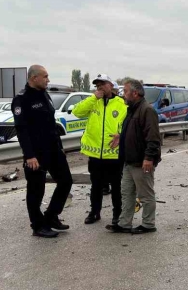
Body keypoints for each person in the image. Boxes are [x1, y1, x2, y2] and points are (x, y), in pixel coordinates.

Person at [12, 65, 73, 238]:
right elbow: (21, 130)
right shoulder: (21, 100)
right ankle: (38, 226)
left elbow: (51, 124)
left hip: (53, 150)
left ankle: (51, 216)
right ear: (34, 78)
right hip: (36, 154)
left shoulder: (45, 94)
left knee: (66, 181)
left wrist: (60, 147)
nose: (48, 80)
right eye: (45, 76)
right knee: (36, 190)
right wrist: (29, 155)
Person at [72, 74, 127, 227]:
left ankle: (117, 214)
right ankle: (95, 212)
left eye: (103, 84)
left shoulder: (121, 104)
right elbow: (77, 112)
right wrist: (93, 98)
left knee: (116, 186)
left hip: (114, 154)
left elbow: (128, 124)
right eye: (97, 85)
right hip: (95, 154)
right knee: (96, 185)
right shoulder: (93, 102)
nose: (100, 87)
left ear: (111, 85)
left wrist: (121, 135)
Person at [109, 78, 162, 234]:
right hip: (129, 161)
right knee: (126, 194)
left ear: (135, 93)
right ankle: (124, 223)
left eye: (125, 91)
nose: (123, 95)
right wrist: (121, 137)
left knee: (145, 195)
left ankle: (148, 224)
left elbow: (153, 138)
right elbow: (134, 131)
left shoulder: (147, 110)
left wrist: (149, 158)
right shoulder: (132, 109)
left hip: (141, 161)